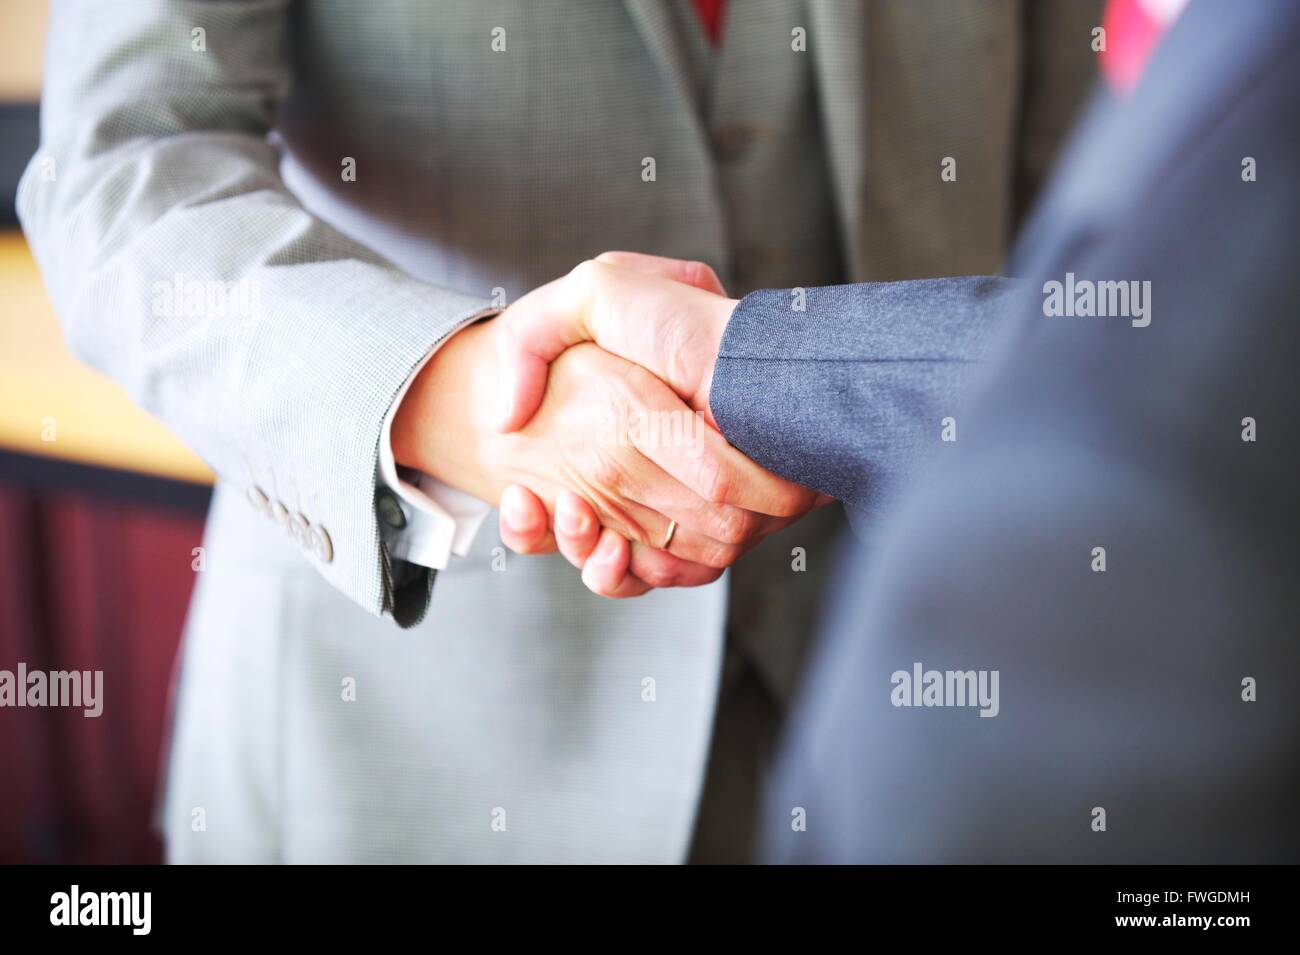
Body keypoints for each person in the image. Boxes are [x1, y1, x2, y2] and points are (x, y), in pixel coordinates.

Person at [18, 0, 1095, 862]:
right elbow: (119, 177)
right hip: (411, 734)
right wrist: (471, 389)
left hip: (915, 706)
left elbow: (1084, 200)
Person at [491, 0, 1300, 861]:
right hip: (492, 721)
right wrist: (472, 394)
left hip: (982, 663)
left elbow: (1102, 261)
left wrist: (750, 367)